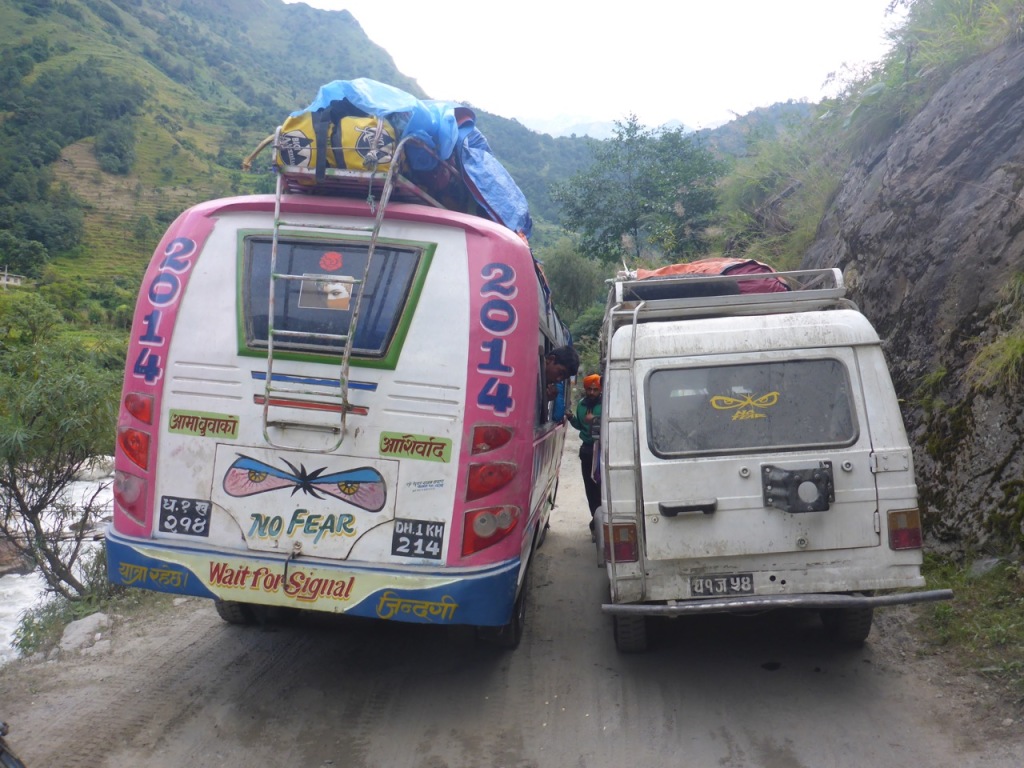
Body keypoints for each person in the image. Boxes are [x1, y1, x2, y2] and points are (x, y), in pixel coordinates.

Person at [567, 373, 602, 533]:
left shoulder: (607, 403)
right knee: (590, 488)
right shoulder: (581, 405)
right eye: (589, 389)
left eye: (595, 389)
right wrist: (571, 419)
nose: (592, 393)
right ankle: (596, 521)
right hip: (587, 450)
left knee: (603, 486)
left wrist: (595, 419)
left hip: (603, 450)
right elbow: (580, 426)